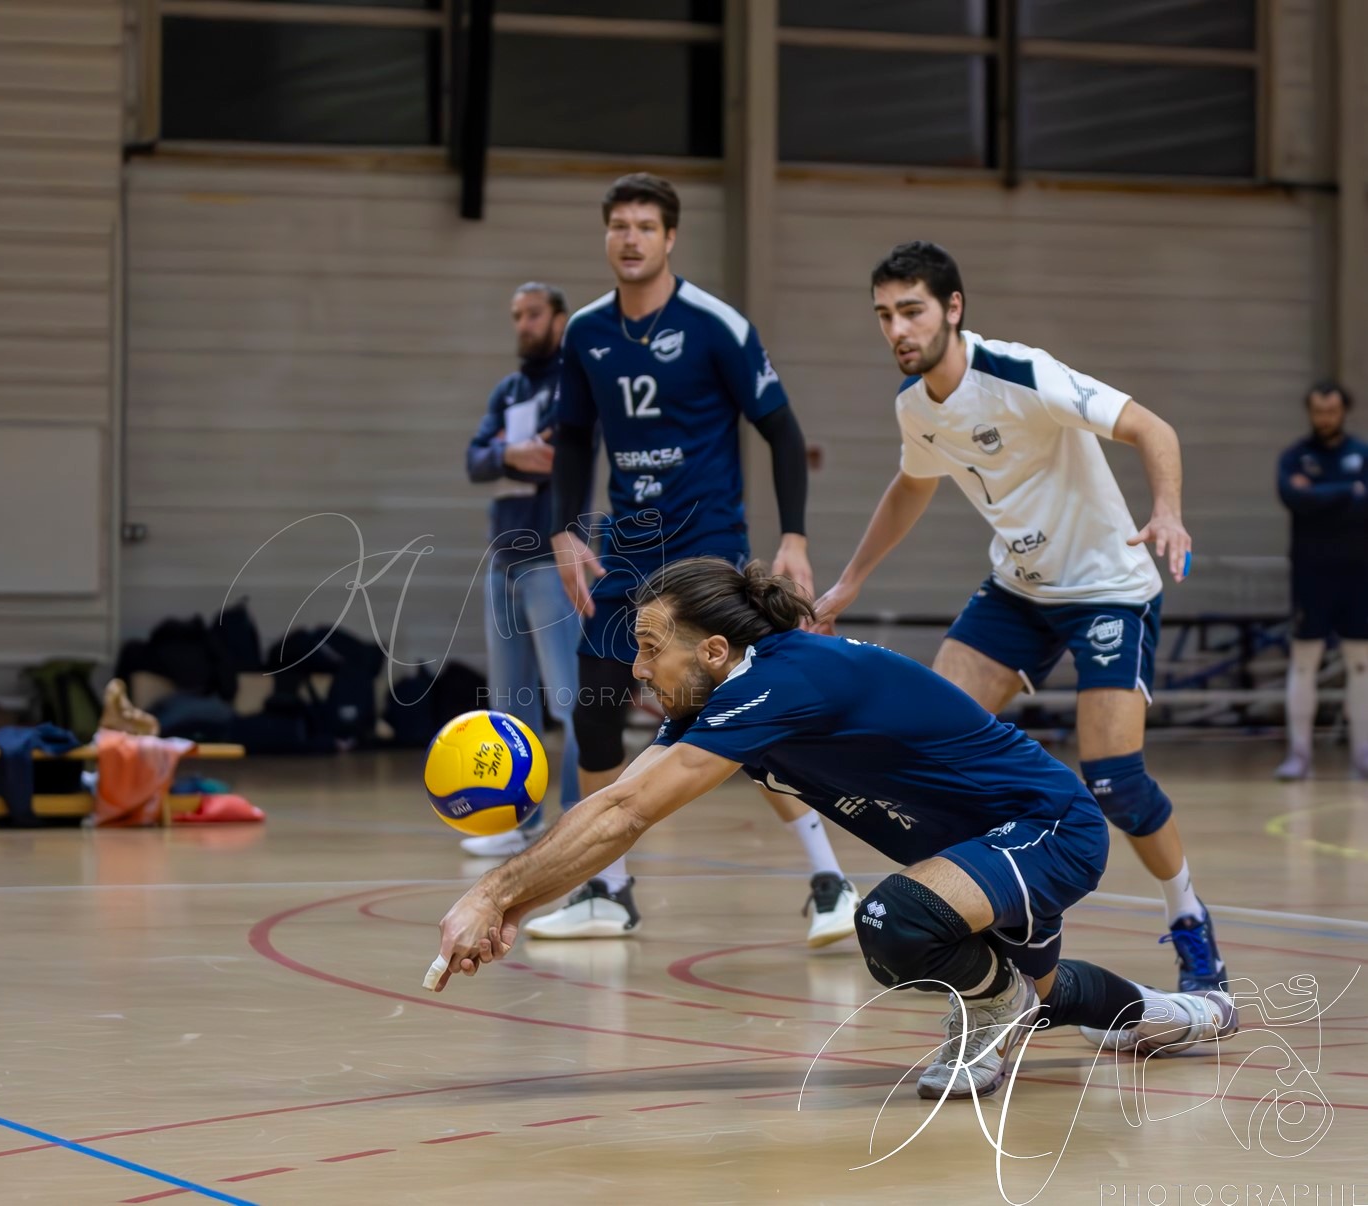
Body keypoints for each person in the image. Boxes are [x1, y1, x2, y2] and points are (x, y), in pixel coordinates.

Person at [432, 558, 1237, 1101]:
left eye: (649, 649)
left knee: (895, 919)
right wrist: (513, 905)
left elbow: (624, 810)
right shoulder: (728, 697)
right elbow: (609, 814)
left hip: (1047, 829)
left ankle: (993, 1008)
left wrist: (491, 892)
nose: (638, 670)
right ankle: (1188, 1015)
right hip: (983, 857)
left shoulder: (784, 682)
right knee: (1050, 995)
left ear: (714, 650)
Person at [814, 241, 1226, 993]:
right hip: (1017, 591)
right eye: (883, 316)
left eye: (911, 310)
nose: (897, 329)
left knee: (1115, 786)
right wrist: (847, 583)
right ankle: (1001, 914)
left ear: (953, 308)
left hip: (1108, 588)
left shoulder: (1021, 373)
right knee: (927, 748)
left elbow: (1152, 428)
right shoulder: (915, 407)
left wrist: (1166, 511)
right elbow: (911, 488)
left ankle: (1191, 920)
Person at [531, 172, 856, 946]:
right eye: (619, 225)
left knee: (741, 717)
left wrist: (795, 538)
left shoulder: (715, 325)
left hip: (707, 547)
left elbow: (779, 429)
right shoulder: (584, 333)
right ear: (606, 236)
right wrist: (565, 529)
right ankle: (606, 891)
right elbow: (575, 437)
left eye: (646, 225)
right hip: (624, 551)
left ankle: (830, 880)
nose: (631, 238)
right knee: (595, 710)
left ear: (670, 237)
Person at [463, 281, 582, 856]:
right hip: (502, 560)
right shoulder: (508, 390)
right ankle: (520, 823)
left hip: (552, 558)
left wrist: (511, 457)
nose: (523, 325)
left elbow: (558, 457)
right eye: (516, 315)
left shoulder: (575, 382)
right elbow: (475, 459)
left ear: (559, 317)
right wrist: (511, 454)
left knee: (573, 700)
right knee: (510, 705)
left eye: (533, 314)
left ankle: (579, 823)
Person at [1273, 381, 1368, 779]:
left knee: (1360, 662)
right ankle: (1300, 755)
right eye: (1318, 411)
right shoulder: (1296, 456)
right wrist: (1350, 493)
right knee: (1305, 660)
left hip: (1358, 574)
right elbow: (1294, 498)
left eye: (1331, 411)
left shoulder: (1361, 453)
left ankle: (1362, 753)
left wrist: (1319, 495)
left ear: (1343, 411)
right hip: (1311, 574)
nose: (1324, 418)